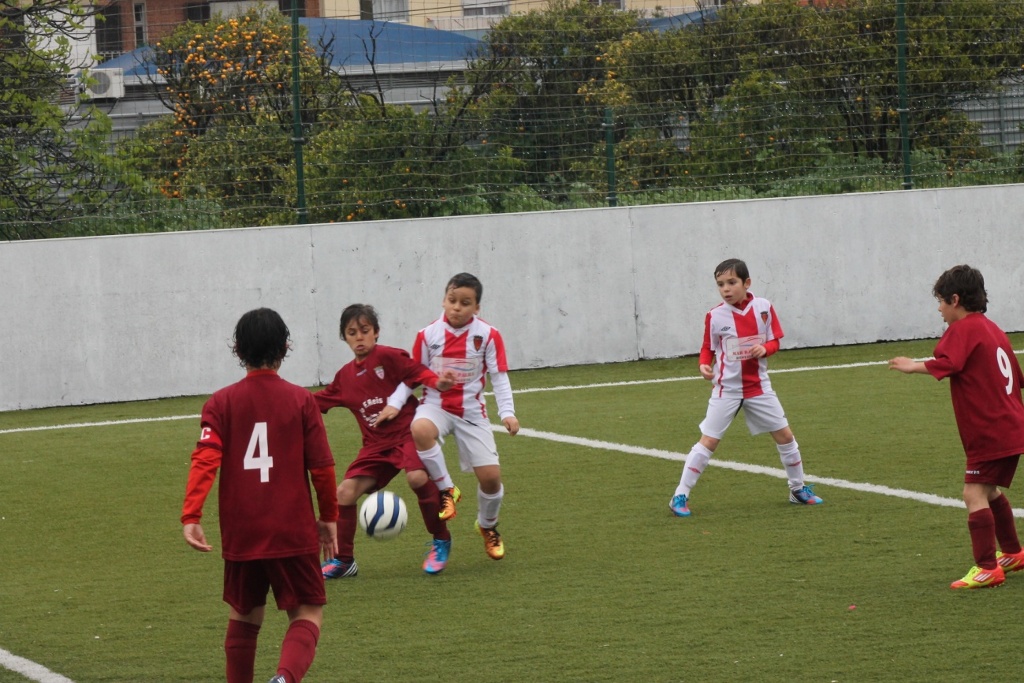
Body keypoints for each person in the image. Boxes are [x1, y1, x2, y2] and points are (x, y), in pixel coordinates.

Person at [181, 308, 339, 683]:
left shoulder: (220, 403)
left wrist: (192, 515)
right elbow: (322, 468)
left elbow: (205, 459)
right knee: (307, 611)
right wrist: (329, 517)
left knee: (245, 615)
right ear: (285, 347)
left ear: (238, 350)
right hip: (291, 529)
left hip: (243, 532)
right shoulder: (302, 401)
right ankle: (284, 678)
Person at [890, 264, 1024, 589]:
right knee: (989, 490)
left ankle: (987, 568)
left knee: (973, 493)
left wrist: (913, 366)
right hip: (1012, 425)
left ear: (955, 299)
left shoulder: (964, 329)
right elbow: (1017, 377)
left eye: (940, 301)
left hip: (990, 430)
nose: (939, 309)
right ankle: (1013, 553)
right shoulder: (993, 329)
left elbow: (950, 362)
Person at [669, 258, 823, 518]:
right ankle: (680, 495)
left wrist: (766, 349)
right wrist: (704, 365)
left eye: (731, 282)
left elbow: (775, 341)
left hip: (759, 387)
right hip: (726, 390)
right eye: (720, 284)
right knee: (709, 441)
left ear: (746, 283)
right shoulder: (715, 315)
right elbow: (707, 347)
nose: (726, 289)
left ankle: (797, 489)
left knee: (785, 437)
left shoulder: (764, 307)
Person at [313, 303, 458, 578]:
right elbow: (316, 401)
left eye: (364, 330)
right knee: (344, 493)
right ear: (344, 338)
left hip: (407, 435)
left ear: (376, 332)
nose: (359, 337)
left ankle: (441, 539)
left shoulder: (389, 357)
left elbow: (416, 372)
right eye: (352, 333)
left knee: (417, 478)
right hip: (375, 447)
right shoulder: (345, 377)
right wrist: (283, 400)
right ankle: (344, 561)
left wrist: (437, 382)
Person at [397, 272, 520, 560]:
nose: (457, 307)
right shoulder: (427, 335)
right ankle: (447, 489)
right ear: (444, 300)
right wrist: (395, 403)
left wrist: (507, 413)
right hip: (435, 406)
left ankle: (487, 525)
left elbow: (499, 376)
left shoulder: (488, 335)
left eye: (465, 303)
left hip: (471, 412)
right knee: (420, 428)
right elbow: (414, 375)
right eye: (452, 300)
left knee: (491, 479)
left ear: (476, 308)